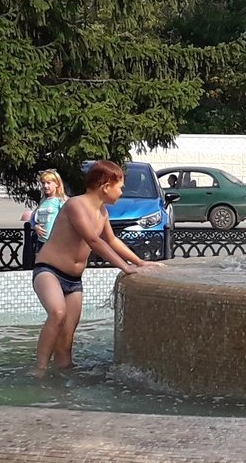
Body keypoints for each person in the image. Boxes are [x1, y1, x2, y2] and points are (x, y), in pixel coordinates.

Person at [31, 160, 163, 375]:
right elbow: (93, 241)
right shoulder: (75, 205)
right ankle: (39, 370)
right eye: (120, 187)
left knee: (67, 335)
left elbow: (112, 240)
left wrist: (140, 262)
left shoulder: (102, 213)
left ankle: (63, 372)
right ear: (106, 186)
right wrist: (126, 268)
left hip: (73, 281)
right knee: (57, 313)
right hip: (49, 271)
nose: (121, 192)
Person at [30, 169, 68, 248]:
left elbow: (69, 219)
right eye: (43, 183)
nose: (45, 186)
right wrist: (35, 227)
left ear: (57, 184)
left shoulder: (61, 200)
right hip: (41, 242)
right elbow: (33, 218)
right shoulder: (43, 200)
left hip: (56, 243)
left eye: (48, 183)